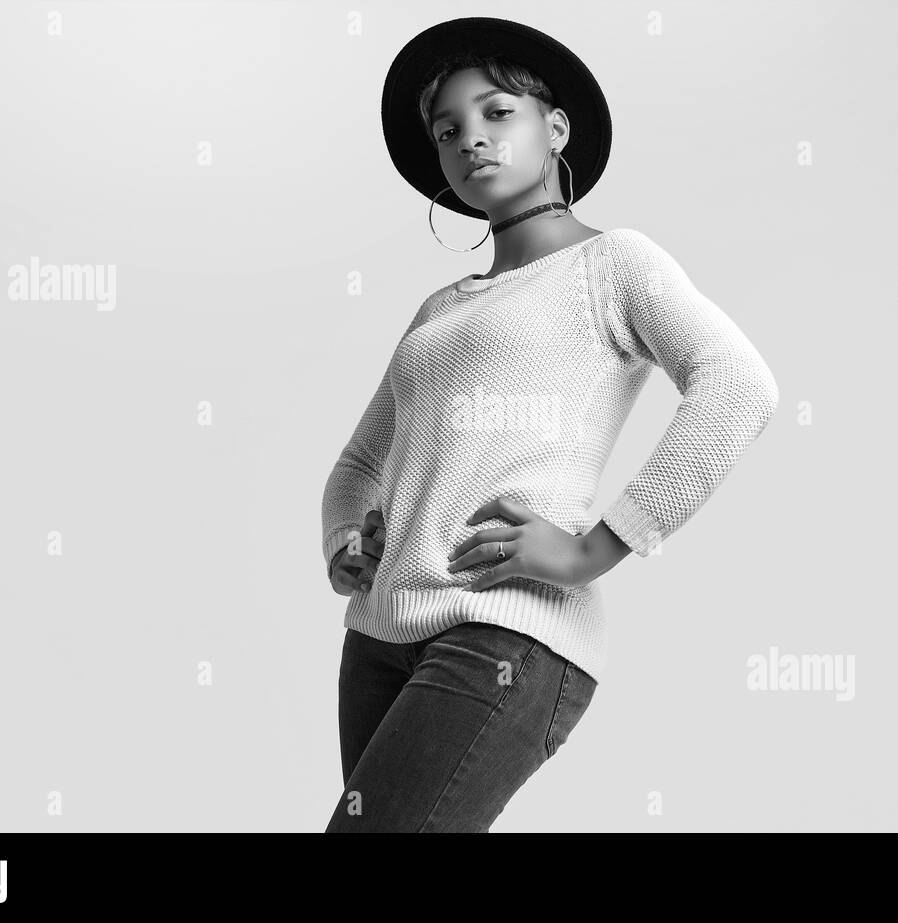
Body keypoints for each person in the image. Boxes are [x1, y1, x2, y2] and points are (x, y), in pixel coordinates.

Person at [320, 17, 779, 832]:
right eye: (448, 129)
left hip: (505, 631)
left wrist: (589, 549)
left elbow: (738, 385)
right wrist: (348, 538)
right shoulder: (440, 308)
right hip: (379, 640)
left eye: (498, 113)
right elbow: (360, 460)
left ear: (554, 127)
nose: (471, 140)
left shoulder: (615, 263)